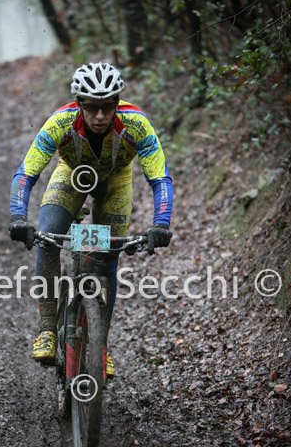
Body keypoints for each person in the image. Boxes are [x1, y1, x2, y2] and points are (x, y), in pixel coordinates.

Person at [9, 61, 173, 378]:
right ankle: (47, 329)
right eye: (92, 107)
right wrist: (18, 216)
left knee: (106, 257)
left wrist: (161, 223)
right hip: (72, 175)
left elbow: (159, 178)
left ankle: (100, 347)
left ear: (117, 103)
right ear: (79, 103)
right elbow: (26, 173)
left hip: (116, 183)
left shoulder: (136, 123)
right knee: (49, 234)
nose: (100, 116)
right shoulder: (61, 121)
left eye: (107, 107)